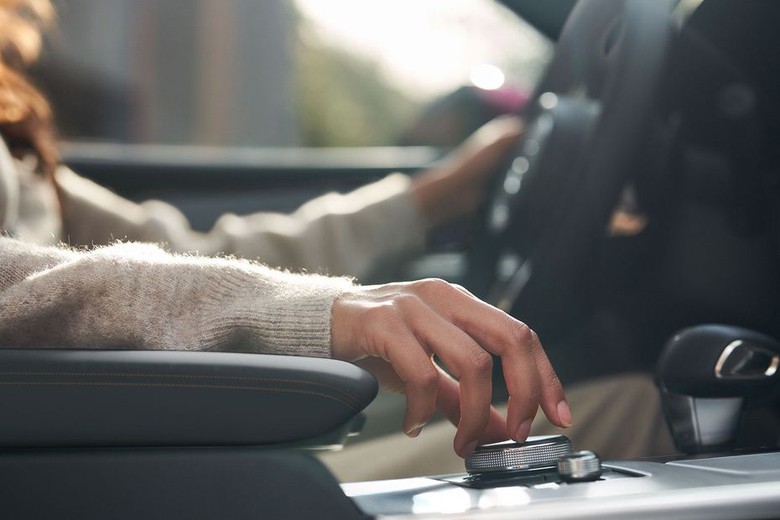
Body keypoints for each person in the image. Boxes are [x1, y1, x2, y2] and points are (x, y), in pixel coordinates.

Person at [0, 0, 673, 480]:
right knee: (640, 410)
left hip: (156, 431)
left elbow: (190, 251)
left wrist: (435, 195)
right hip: (109, 467)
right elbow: (28, 287)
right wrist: (321, 314)